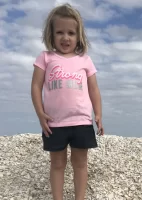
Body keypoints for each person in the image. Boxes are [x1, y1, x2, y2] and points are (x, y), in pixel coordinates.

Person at [31, 3, 104, 200]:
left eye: (71, 33)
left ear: (78, 35)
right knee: (57, 164)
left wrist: (98, 114)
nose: (65, 37)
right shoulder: (45, 58)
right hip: (54, 123)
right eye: (60, 32)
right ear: (51, 34)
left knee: (80, 163)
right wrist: (40, 113)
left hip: (81, 121)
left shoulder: (85, 60)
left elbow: (93, 89)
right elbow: (36, 86)